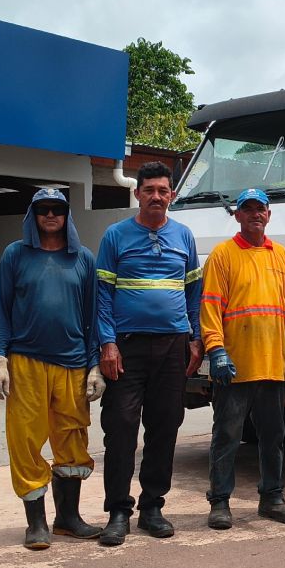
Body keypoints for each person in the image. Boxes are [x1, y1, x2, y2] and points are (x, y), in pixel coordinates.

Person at [0, 188, 106, 549]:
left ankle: (68, 518)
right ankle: (36, 523)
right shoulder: (15, 255)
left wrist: (95, 365)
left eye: (57, 209)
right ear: (32, 215)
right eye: (43, 209)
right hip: (26, 362)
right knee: (25, 441)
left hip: (73, 363)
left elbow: (92, 316)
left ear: (67, 215)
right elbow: (1, 309)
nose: (50, 215)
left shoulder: (83, 259)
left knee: (72, 438)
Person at [95, 162, 203, 547]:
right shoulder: (116, 236)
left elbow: (193, 292)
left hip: (173, 346)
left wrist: (195, 339)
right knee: (120, 428)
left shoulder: (184, 236)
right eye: (149, 190)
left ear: (172, 195)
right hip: (127, 347)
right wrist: (107, 343)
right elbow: (102, 295)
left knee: (165, 426)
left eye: (163, 190)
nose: (156, 196)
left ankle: (153, 507)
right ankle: (118, 512)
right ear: (137, 193)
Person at [202, 189, 285, 530]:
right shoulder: (223, 255)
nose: (254, 214)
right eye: (247, 209)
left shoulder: (281, 257)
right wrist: (216, 350)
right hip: (234, 369)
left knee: (273, 438)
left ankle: (272, 498)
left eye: (259, 209)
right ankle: (220, 502)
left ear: (268, 214)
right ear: (237, 216)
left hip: (272, 367)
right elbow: (210, 308)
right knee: (227, 437)